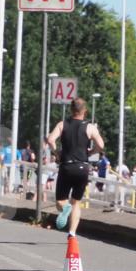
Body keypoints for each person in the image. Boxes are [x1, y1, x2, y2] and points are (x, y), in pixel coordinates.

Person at [47, 98, 105, 236]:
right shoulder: (90, 127)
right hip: (83, 167)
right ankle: (72, 233)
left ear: (71, 110)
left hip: (66, 166)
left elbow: (50, 139)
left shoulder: (63, 124)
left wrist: (57, 153)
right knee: (76, 202)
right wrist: (92, 152)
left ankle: (65, 208)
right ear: (85, 111)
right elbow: (101, 145)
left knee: (61, 202)